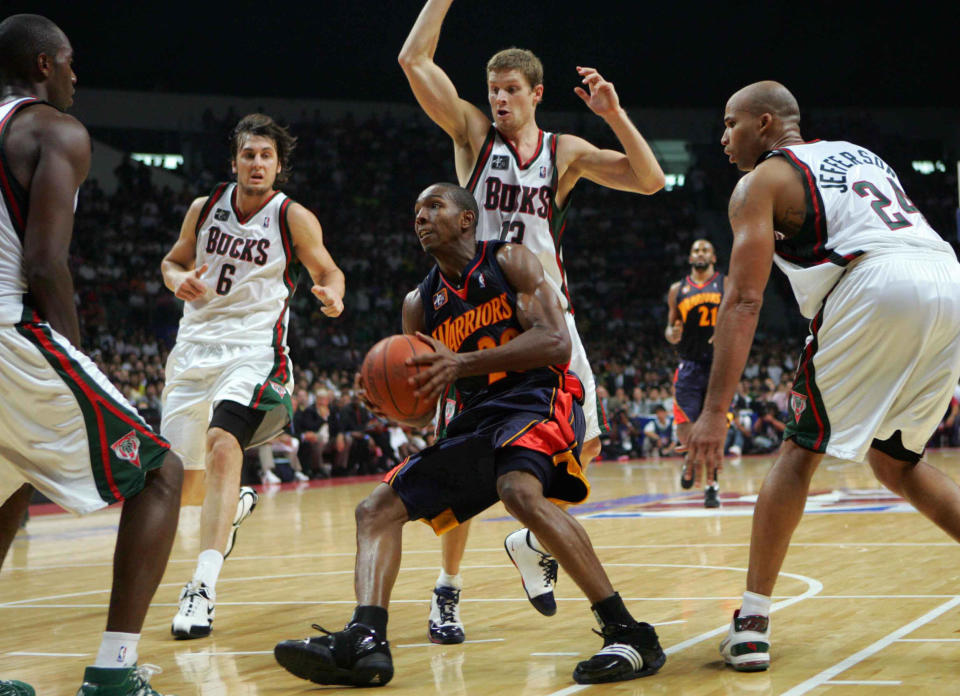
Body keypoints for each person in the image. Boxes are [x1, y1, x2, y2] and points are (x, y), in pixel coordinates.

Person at [274, 183, 665, 687]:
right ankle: (366, 640)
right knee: (375, 509)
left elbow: (556, 342)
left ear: (466, 220)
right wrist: (391, 408)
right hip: (476, 417)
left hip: (536, 396)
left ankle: (629, 632)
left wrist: (466, 361)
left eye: (433, 206)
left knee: (517, 490)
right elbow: (425, 408)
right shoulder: (419, 303)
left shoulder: (510, 262)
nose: (420, 217)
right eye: (415, 210)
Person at [398, 0, 665, 642]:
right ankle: (448, 591)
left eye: (511, 90)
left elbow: (651, 181)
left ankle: (527, 539)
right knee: (462, 455)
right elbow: (413, 59)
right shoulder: (472, 137)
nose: (499, 100)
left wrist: (615, 115)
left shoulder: (563, 150)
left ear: (536, 93)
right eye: (493, 91)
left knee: (584, 445)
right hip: (477, 315)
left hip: (547, 315)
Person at [687, 80, 960, 672]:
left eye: (730, 123)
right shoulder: (857, 153)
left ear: (764, 124)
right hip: (947, 278)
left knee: (798, 452)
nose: (723, 136)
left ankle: (752, 621)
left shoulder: (759, 182)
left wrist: (713, 411)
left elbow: (743, 300)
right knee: (895, 461)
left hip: (875, 283)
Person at [0, 15, 183, 696]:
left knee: (9, 489)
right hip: (11, 331)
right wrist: (74, 350)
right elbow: (45, 262)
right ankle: (112, 674)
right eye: (71, 62)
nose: (78, 75)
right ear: (45, 63)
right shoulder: (54, 130)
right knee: (163, 473)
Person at [160, 113, 345, 639]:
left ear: (278, 166)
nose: (257, 163)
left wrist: (332, 294)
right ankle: (234, 505)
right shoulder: (205, 208)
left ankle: (202, 588)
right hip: (193, 349)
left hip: (253, 349)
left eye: (266, 156)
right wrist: (177, 281)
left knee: (224, 442)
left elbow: (328, 270)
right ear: (235, 160)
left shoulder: (293, 217)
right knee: (179, 483)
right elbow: (172, 262)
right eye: (249, 154)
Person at [666, 239, 725, 507]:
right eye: (695, 251)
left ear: (713, 256)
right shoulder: (677, 290)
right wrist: (672, 334)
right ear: (690, 258)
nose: (700, 254)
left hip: (718, 365)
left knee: (713, 429)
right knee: (684, 428)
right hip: (688, 364)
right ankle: (691, 458)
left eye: (705, 250)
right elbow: (669, 328)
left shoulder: (726, 284)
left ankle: (711, 486)